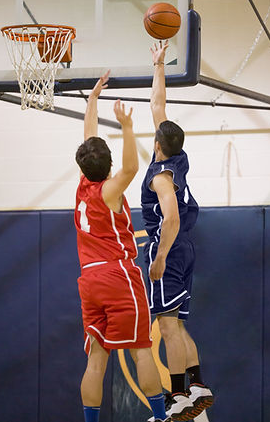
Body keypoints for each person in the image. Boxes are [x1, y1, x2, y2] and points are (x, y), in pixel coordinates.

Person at [74, 71, 171, 422]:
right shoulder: (108, 190)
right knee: (141, 350)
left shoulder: (84, 184)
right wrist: (127, 125)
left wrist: (92, 99)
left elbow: (89, 139)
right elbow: (131, 166)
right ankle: (161, 419)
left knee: (96, 358)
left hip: (89, 281)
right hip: (117, 276)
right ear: (107, 164)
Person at [142, 42, 214, 422]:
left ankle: (178, 396)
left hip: (168, 248)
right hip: (186, 247)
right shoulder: (177, 156)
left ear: (157, 145)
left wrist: (159, 258)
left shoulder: (160, 177)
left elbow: (168, 220)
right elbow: (159, 106)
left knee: (167, 325)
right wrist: (158, 66)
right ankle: (198, 384)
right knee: (179, 323)